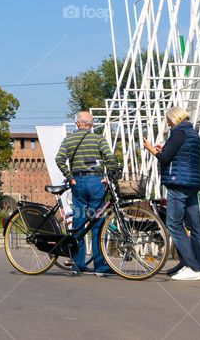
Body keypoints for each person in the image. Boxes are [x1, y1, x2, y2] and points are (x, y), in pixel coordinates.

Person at [144, 107, 200, 281]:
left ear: (173, 119)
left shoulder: (178, 132)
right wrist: (162, 149)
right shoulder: (193, 134)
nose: (167, 123)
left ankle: (191, 267)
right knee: (196, 227)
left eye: (168, 120)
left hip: (177, 182)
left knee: (174, 224)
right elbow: (178, 155)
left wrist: (151, 149)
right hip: (191, 183)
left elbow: (165, 158)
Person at [55, 111, 116, 277]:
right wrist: (109, 174)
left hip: (78, 183)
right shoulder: (98, 139)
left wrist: (69, 177)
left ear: (77, 124)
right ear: (90, 125)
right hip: (96, 182)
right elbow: (110, 158)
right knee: (97, 224)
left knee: (79, 224)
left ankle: (77, 265)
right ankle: (100, 267)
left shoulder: (69, 139)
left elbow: (59, 158)